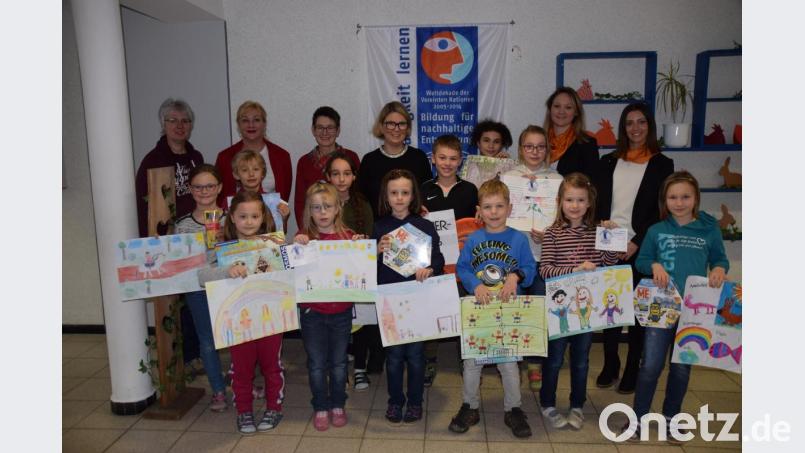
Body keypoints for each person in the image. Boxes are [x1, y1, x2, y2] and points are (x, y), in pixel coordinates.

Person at [623, 171, 728, 442]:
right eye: (673, 197)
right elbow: (641, 261)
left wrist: (718, 269)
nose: (679, 202)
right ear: (664, 200)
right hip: (661, 306)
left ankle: (672, 418)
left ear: (695, 198)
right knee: (650, 366)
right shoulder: (657, 230)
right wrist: (654, 264)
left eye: (685, 197)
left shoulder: (709, 229)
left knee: (682, 367)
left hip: (696, 310)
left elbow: (720, 259)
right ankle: (638, 417)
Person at [594, 102, 674, 393]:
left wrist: (635, 241)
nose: (635, 128)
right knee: (611, 309)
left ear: (649, 126)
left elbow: (661, 209)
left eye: (641, 122)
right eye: (629, 123)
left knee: (639, 312)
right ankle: (610, 363)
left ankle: (631, 368)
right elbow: (599, 202)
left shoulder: (662, 164)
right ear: (623, 128)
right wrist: (603, 227)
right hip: (608, 245)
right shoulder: (608, 161)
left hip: (642, 246)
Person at [451, 179, 536, 438]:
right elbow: (462, 268)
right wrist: (474, 284)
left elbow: (531, 271)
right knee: (471, 364)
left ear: (509, 208)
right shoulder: (475, 239)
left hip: (508, 313)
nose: (494, 212)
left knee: (509, 365)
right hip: (480, 311)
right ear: (479, 210)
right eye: (488, 207)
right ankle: (470, 406)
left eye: (500, 206)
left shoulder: (519, 239)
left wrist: (516, 276)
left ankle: (514, 409)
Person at [198, 191, 285, 435]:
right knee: (241, 369)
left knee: (272, 367)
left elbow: (291, 269)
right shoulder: (222, 249)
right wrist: (227, 271)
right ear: (232, 218)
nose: (249, 221)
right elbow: (201, 276)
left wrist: (297, 245)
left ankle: (274, 408)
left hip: (270, 320)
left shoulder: (273, 246)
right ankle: (244, 411)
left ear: (263, 218)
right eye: (243, 216)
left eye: (254, 216)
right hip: (237, 323)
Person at [539, 173, 619, 430]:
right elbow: (546, 270)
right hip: (559, 309)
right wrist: (574, 270)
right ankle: (548, 404)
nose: (575, 205)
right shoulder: (552, 233)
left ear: (589, 203)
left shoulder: (598, 231)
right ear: (560, 201)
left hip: (586, 310)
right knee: (554, 359)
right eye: (569, 199)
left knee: (581, 359)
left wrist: (611, 239)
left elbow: (609, 263)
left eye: (580, 200)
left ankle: (577, 405)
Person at [135, 98, 205, 369]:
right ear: (163, 124)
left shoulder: (195, 158)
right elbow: (145, 207)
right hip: (167, 243)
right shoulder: (153, 161)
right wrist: (150, 245)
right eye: (172, 120)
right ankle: (181, 358)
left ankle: (194, 353)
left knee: (194, 299)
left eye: (185, 121)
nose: (179, 126)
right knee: (173, 302)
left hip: (195, 240)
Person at [373, 169, 444, 425]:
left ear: (413, 194)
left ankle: (415, 402)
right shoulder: (379, 227)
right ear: (386, 195)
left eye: (405, 192)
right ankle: (395, 401)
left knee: (415, 357)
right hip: (391, 301)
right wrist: (375, 252)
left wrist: (431, 268)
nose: (400, 198)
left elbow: (438, 259)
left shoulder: (424, 225)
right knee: (393, 358)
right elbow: (370, 270)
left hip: (417, 300)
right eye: (394, 193)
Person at [294, 182, 366, 431]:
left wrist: (361, 248)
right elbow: (292, 270)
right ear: (309, 211)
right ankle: (320, 406)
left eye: (327, 206)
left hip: (341, 312)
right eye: (316, 208)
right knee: (316, 364)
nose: (322, 212)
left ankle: (338, 404)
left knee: (338, 364)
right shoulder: (304, 240)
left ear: (338, 208)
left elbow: (360, 269)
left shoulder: (348, 238)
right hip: (312, 312)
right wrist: (297, 246)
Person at [501, 125, 563, 391]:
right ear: (521, 149)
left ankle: (535, 361)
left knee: (538, 311)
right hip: (512, 258)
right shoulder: (508, 178)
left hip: (543, 258)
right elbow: (498, 214)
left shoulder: (557, 180)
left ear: (547, 149)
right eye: (529, 146)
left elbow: (564, 219)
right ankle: (512, 360)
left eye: (540, 146)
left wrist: (548, 234)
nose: (535, 151)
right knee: (513, 309)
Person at [419, 134, 479, 387]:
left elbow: (478, 225)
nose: (447, 163)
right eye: (442, 157)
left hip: (462, 265)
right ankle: (430, 359)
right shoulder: (423, 189)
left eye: (453, 158)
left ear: (460, 161)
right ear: (433, 159)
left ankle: (466, 357)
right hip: (433, 263)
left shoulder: (469, 190)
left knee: (463, 311)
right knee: (433, 312)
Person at [324, 152, 380, 390]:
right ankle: (337, 367)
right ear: (327, 177)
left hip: (357, 272)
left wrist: (361, 241)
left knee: (360, 322)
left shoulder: (362, 204)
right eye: (335, 174)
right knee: (335, 322)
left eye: (346, 173)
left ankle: (359, 368)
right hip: (330, 274)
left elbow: (370, 239)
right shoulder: (322, 203)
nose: (341, 179)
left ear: (354, 176)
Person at [174, 164, 228, 411]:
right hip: (198, 288)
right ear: (190, 189)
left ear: (219, 188)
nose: (204, 191)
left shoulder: (232, 218)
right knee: (207, 340)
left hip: (228, 284)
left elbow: (243, 250)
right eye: (198, 186)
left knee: (237, 337)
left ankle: (241, 385)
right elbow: (179, 262)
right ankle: (218, 390)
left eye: (209, 186)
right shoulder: (183, 225)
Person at [357, 101, 432, 219]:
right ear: (381, 126)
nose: (396, 129)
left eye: (401, 124)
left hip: (414, 230)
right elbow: (361, 201)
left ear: (407, 127)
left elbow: (427, 195)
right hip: (379, 230)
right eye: (390, 124)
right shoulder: (369, 161)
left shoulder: (419, 158)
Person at [215, 100, 292, 207]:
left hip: (271, 220)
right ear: (238, 125)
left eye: (256, 120)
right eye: (245, 120)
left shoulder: (282, 157)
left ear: (264, 124)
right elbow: (218, 197)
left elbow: (283, 199)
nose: (251, 125)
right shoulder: (224, 158)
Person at [294, 106, 361, 227]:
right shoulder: (304, 162)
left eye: (330, 127)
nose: (325, 133)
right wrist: (306, 231)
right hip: (315, 230)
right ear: (313, 130)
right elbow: (300, 203)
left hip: (348, 228)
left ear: (338, 130)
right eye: (320, 127)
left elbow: (359, 195)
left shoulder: (351, 157)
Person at [227, 149, 291, 228]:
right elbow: (227, 232)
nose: (251, 174)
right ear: (236, 175)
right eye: (245, 170)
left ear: (263, 173)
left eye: (256, 169)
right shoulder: (229, 203)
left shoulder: (274, 202)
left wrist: (283, 218)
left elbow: (281, 232)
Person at [543, 87, 599, 178]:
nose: (561, 111)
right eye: (557, 106)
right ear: (550, 109)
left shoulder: (587, 145)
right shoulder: (538, 142)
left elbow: (591, 184)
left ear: (576, 112)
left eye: (568, 107)